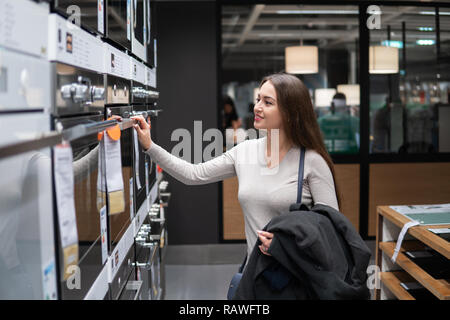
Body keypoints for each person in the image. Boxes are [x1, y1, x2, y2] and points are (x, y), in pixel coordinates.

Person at [132, 73, 341, 261]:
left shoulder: (312, 161)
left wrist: (287, 245)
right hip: (256, 276)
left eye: (268, 102)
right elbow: (194, 174)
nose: (257, 107)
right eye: (258, 99)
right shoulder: (245, 151)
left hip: (298, 280)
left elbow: (331, 228)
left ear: (290, 112)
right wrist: (150, 146)